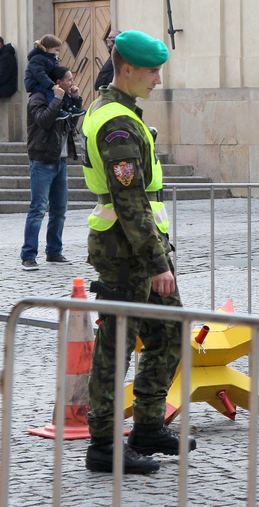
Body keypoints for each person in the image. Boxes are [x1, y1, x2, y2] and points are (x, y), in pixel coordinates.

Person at [81, 30, 195, 475]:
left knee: (170, 331)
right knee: (117, 344)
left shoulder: (122, 113)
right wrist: (157, 262)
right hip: (125, 250)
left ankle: (147, 425)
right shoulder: (116, 123)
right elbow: (128, 201)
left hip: (138, 246)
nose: (158, 79)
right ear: (126, 68)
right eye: (152, 70)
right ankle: (104, 445)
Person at [20, 66, 81, 271]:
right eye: (69, 80)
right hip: (42, 160)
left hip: (60, 161)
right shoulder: (37, 98)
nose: (72, 83)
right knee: (38, 209)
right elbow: (43, 121)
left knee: (59, 210)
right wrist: (56, 100)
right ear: (57, 82)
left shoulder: (62, 99)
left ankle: (54, 251)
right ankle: (28, 255)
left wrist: (76, 100)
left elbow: (72, 125)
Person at [24, 34, 85, 119]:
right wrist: (51, 86)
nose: (57, 53)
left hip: (46, 82)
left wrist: (75, 98)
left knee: (62, 91)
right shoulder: (37, 59)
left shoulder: (50, 59)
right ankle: (57, 110)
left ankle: (71, 108)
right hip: (35, 84)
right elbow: (40, 75)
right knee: (50, 92)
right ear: (48, 48)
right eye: (56, 50)